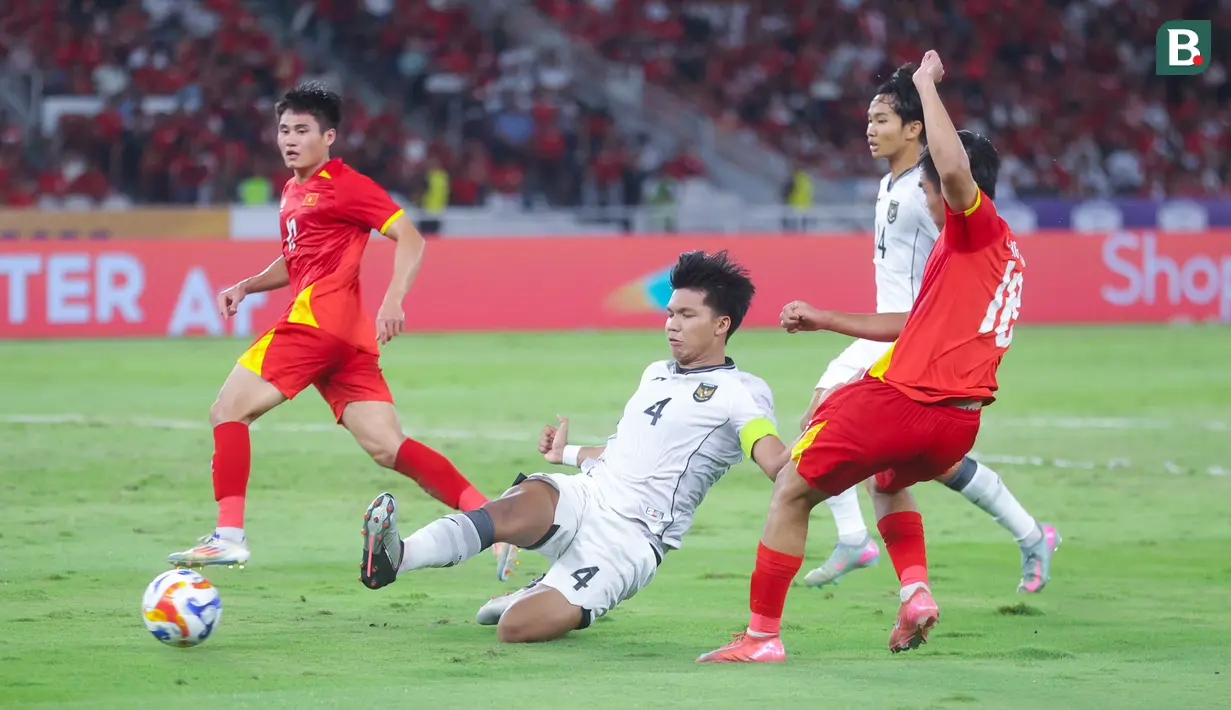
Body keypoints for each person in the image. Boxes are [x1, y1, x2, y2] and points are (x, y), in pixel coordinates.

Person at [698, 51, 1028, 662]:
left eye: (930, 192)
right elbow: (909, 319)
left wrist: (927, 85)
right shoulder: (993, 257)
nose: (931, 203)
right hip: (957, 422)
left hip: (909, 400)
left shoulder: (974, 226)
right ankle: (915, 591)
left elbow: (955, 177)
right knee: (884, 480)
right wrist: (825, 318)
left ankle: (762, 637)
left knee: (794, 485)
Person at [168, 82, 513, 579]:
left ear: (328, 136)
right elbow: (296, 260)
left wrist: (394, 299)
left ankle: (228, 537)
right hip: (347, 343)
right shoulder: (293, 190)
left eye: (302, 130)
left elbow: (410, 238)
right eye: (284, 129)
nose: (290, 139)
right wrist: (246, 286)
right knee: (387, 446)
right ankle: (495, 521)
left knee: (228, 409)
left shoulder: (346, 184)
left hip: (316, 326)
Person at [357, 250, 790, 643]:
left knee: (514, 629)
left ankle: (540, 589)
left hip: (632, 537)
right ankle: (397, 556)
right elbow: (629, 453)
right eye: (670, 313)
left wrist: (825, 432)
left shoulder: (739, 393)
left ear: (721, 324)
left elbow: (774, 461)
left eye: (686, 315)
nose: (672, 325)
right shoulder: (655, 373)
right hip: (590, 493)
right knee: (510, 509)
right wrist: (566, 454)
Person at [799, 62, 1058, 594]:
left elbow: (959, 184)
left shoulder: (929, 193)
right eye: (868, 118)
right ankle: (1030, 533)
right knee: (920, 464)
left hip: (910, 335)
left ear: (916, 129)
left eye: (883, 119)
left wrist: (926, 88)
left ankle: (856, 541)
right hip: (889, 331)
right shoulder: (893, 184)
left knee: (823, 428)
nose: (870, 128)